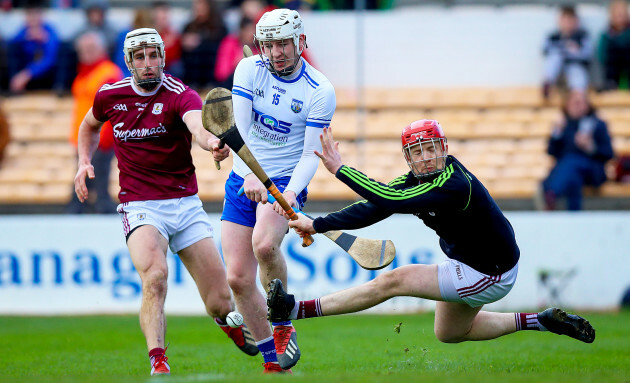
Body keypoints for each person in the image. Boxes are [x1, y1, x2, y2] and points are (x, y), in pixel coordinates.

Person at [266, 121, 596, 360]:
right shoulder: (415, 179)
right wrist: (318, 224)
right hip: (470, 262)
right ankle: (541, 320)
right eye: (417, 152)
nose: (425, 157)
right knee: (449, 333)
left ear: (444, 148)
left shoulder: (452, 183)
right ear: (408, 159)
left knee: (393, 280)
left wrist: (341, 169)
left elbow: (391, 202)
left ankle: (296, 310)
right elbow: (376, 206)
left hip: (488, 273)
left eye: (430, 148)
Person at [72, 28, 258, 376]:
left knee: (220, 301)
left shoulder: (179, 94)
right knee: (155, 276)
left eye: (154, 55)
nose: (148, 63)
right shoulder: (110, 95)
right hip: (140, 205)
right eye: (140, 57)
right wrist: (84, 161)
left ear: (162, 57)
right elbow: (88, 126)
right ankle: (158, 361)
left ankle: (226, 321)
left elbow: (197, 126)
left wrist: (211, 143)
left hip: (185, 205)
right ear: (128, 62)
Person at [215, 8, 336, 373]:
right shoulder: (249, 69)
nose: (277, 51)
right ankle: (272, 359)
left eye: (284, 43)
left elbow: (309, 156)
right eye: (269, 44)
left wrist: (288, 196)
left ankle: (283, 323)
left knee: (265, 244)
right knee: (237, 277)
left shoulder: (320, 90)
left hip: (286, 177)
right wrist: (250, 173)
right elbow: (239, 131)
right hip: (243, 173)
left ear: (300, 42)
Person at [66, 31, 123, 214]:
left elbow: (114, 110)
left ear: (102, 49)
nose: (85, 54)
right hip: (84, 139)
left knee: (98, 186)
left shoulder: (108, 73)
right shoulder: (84, 73)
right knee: (85, 185)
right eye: (82, 50)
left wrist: (103, 139)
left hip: (100, 139)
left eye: (90, 49)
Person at [540, 90, 614, 211]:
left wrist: (591, 147)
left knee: (571, 161)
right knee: (574, 178)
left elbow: (609, 153)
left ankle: (551, 192)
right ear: (567, 106)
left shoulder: (598, 124)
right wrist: (557, 133)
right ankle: (574, 219)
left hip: (592, 171)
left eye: (580, 103)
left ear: (587, 105)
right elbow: (551, 151)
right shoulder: (563, 125)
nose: (577, 106)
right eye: (574, 103)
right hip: (570, 173)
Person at [8, 0, 60, 93]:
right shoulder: (23, 32)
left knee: (63, 53)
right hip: (26, 79)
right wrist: (25, 38)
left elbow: (51, 59)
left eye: (36, 14)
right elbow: (10, 45)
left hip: (46, 77)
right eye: (30, 14)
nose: (33, 18)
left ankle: (59, 90)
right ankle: (14, 90)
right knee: (13, 48)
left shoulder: (50, 31)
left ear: (41, 15)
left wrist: (45, 41)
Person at [542, 5, 592, 99]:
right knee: (554, 58)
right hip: (558, 71)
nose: (568, 24)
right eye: (565, 20)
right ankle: (548, 84)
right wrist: (564, 49)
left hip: (574, 66)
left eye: (570, 21)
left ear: (576, 21)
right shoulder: (553, 36)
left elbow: (587, 55)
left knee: (577, 72)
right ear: (560, 21)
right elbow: (545, 50)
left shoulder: (582, 36)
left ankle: (578, 95)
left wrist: (574, 52)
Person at [180, 0, 227, 88]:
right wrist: (184, 43)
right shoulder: (189, 26)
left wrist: (199, 42)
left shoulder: (219, 26)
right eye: (196, 4)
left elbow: (221, 49)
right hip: (191, 74)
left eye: (201, 4)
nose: (198, 7)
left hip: (211, 72)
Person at [214, 16, 257, 87]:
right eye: (248, 30)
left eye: (253, 30)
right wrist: (236, 64)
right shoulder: (229, 44)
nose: (252, 34)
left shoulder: (259, 48)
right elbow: (221, 73)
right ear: (241, 31)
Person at [598, 0, 630, 90]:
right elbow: (601, 55)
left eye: (623, 14)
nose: (621, 17)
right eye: (618, 14)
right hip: (612, 70)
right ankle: (611, 83)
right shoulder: (606, 33)